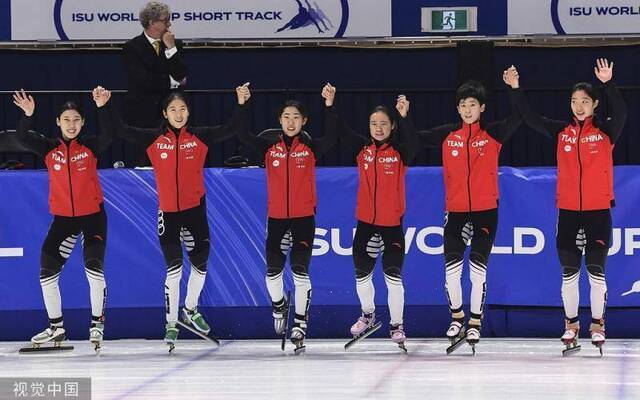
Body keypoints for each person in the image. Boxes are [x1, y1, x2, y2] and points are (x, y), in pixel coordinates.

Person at [107, 87, 249, 348]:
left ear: (189, 111)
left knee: (200, 265)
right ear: (165, 113)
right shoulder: (154, 140)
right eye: (173, 109)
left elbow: (232, 128)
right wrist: (105, 106)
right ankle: (171, 322)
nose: (178, 113)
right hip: (169, 214)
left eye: (182, 108)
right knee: (174, 270)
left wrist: (241, 104)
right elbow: (121, 129)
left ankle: (191, 309)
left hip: (195, 212)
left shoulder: (199, 138)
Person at [509, 59, 627, 352]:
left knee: (597, 271)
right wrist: (515, 89)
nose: (579, 106)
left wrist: (608, 83)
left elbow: (623, 112)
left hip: (598, 211)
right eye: (574, 101)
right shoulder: (561, 133)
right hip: (569, 212)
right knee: (570, 272)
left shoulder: (606, 133)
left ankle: (598, 325)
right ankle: (571, 325)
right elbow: (529, 117)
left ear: (595, 104)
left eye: (585, 101)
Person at [408, 72, 522, 348]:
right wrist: (404, 117)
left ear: (481, 107)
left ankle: (474, 322)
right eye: (463, 105)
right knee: (451, 270)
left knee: (477, 270)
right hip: (456, 212)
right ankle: (457, 318)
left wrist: (514, 89)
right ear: (457, 109)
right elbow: (415, 139)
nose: (468, 110)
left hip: (485, 211)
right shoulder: (449, 135)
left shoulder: (492, 133)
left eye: (473, 104)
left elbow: (519, 117)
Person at [236, 83, 338, 353]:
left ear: (304, 121)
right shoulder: (270, 148)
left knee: (300, 271)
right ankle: (279, 304)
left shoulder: (311, 148)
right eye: (286, 117)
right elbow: (242, 134)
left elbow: (334, 135)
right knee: (272, 273)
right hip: (277, 218)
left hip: (304, 218)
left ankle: (301, 323)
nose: (291, 122)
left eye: (296, 117)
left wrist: (329, 106)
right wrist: (243, 104)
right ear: (279, 121)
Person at [9, 87, 113, 351]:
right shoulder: (48, 148)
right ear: (58, 122)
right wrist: (28, 115)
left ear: (83, 122)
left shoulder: (89, 147)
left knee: (93, 268)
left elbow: (110, 135)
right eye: (66, 119)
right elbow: (21, 137)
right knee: (47, 272)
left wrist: (103, 107)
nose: (71, 124)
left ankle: (97, 323)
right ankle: (56, 328)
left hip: (92, 217)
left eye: (76, 119)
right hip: (63, 220)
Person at [332, 90, 419, 349]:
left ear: (391, 126)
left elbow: (415, 143)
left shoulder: (400, 152)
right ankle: (367, 315)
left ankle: (397, 325)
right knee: (362, 277)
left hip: (392, 226)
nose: (378, 128)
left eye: (383, 123)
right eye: (373, 124)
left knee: (393, 279)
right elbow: (340, 129)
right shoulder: (363, 150)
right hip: (365, 225)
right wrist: (330, 105)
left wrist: (405, 117)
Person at [123, 1, 187, 165]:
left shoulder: (175, 44)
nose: (169, 24)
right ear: (152, 23)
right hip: (143, 116)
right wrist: (173, 82)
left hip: (170, 115)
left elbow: (181, 74)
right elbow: (143, 80)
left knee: (173, 161)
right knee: (145, 160)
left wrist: (171, 48)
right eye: (166, 20)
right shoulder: (132, 47)